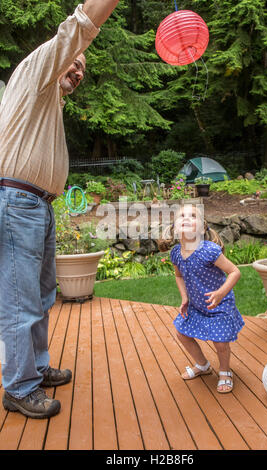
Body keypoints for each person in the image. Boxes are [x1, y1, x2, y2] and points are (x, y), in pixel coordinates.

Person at [0, 0, 119, 419]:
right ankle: (18, 387)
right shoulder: (37, 71)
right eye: (75, 62)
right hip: (17, 203)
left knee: (41, 295)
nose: (79, 70)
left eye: (83, 69)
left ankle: (34, 367)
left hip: (36, 205)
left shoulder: (48, 100)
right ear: (59, 53)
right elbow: (81, 25)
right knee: (20, 302)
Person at [158, 204, 244, 393]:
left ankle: (224, 371)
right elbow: (179, 276)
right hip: (197, 304)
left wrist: (221, 293)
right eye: (182, 216)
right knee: (182, 333)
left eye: (193, 216)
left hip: (219, 304)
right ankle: (203, 365)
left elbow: (234, 272)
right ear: (174, 228)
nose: (187, 219)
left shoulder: (209, 250)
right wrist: (184, 298)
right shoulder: (176, 253)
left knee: (220, 342)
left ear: (203, 228)